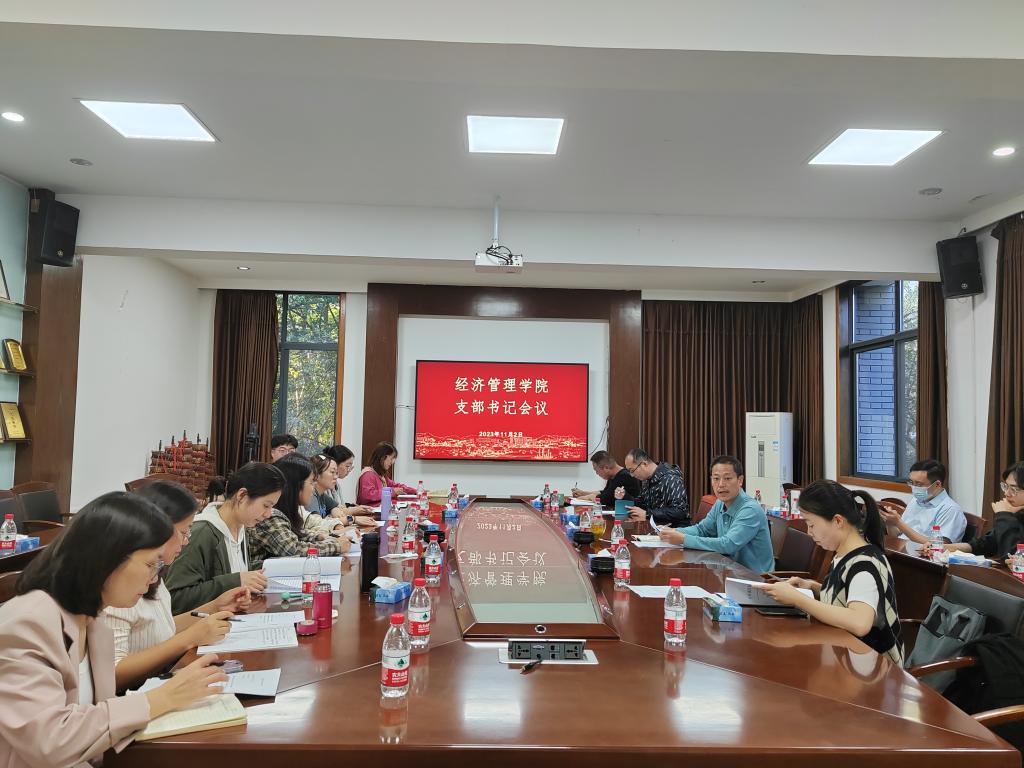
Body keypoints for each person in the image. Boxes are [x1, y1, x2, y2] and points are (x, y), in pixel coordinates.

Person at [0, 493, 228, 768]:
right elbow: (48, 741)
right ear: (107, 559)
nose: (153, 578)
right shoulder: (28, 623)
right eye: (150, 564)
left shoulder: (93, 622)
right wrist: (161, 698)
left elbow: (92, 718)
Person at [102, 481, 252, 690]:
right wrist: (188, 639)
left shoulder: (156, 572)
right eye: (184, 532)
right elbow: (112, 674)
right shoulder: (121, 585)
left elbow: (160, 627)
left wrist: (215, 606)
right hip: (138, 694)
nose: (186, 541)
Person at [757, 479, 904, 666]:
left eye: (811, 525)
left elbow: (860, 622)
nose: (809, 532)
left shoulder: (865, 564)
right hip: (846, 657)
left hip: (874, 670)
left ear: (838, 521)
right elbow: (848, 596)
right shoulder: (844, 554)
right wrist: (814, 587)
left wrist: (797, 599)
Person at [165, 462, 283, 613]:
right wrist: (236, 581)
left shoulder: (241, 528)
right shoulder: (201, 533)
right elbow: (176, 599)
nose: (268, 514)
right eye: (266, 505)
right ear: (242, 495)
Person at [657, 455, 774, 574]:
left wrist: (683, 539)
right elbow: (702, 529)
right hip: (729, 572)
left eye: (727, 478)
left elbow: (728, 545)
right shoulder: (720, 503)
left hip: (755, 579)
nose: (721, 484)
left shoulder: (750, 509)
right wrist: (672, 532)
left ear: (740, 480)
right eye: (716, 478)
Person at [248, 454, 355, 570]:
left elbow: (298, 534)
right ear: (296, 486)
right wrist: (336, 546)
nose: (313, 488)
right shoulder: (271, 515)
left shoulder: (288, 510)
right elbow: (293, 549)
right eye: (311, 482)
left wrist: (322, 537)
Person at [945, 460, 1024, 562]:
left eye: (1013, 489)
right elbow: (988, 544)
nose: (1006, 494)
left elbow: (1014, 558)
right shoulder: (1017, 514)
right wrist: (946, 547)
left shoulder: (1008, 516)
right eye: (1006, 487)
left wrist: (1004, 515)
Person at [879, 459, 966, 544]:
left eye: (919, 484)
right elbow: (898, 534)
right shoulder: (915, 500)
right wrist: (890, 523)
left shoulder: (950, 510)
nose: (914, 488)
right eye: (911, 482)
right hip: (900, 548)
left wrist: (898, 522)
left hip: (921, 553)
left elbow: (940, 546)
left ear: (937, 484)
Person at [614, 448, 689, 526]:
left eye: (632, 470)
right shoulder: (647, 480)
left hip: (676, 528)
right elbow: (642, 504)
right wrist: (625, 496)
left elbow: (679, 511)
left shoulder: (670, 478)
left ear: (644, 464)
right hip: (657, 527)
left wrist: (647, 514)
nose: (632, 475)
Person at [572, 450, 641, 508]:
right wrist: (583, 493)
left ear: (606, 468)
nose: (597, 473)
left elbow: (605, 499)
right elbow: (604, 492)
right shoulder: (613, 476)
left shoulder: (625, 477)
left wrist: (583, 498)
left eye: (596, 470)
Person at [321, 444, 376, 516]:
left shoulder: (336, 484)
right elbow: (329, 514)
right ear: (335, 464)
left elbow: (340, 507)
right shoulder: (324, 486)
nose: (349, 470)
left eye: (351, 467)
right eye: (347, 466)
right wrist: (352, 513)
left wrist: (353, 508)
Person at [356, 441, 415, 506]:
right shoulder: (368, 474)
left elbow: (395, 485)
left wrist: (414, 491)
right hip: (370, 511)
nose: (392, 462)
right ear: (383, 457)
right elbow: (368, 495)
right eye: (391, 458)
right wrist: (392, 491)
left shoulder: (380, 475)